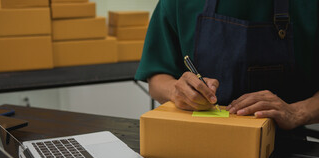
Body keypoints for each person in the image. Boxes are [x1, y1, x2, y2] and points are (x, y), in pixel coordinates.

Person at [135, 0, 319, 130]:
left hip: (283, 151)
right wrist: (177, 92)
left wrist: (297, 112)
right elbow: (157, 78)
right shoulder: (178, 3)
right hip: (192, 140)